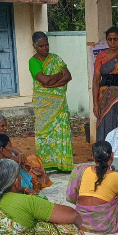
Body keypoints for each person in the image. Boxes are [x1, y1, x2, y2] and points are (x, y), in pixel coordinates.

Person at [30, 31, 74, 172]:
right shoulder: (33, 62)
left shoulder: (56, 58)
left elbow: (68, 76)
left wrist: (52, 84)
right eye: (41, 46)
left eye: (46, 45)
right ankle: (46, 164)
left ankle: (62, 164)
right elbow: (44, 80)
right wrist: (59, 75)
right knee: (43, 133)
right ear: (35, 46)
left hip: (59, 105)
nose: (45, 48)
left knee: (60, 131)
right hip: (43, 106)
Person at [66, 141, 118, 233]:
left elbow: (71, 196)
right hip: (105, 225)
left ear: (93, 157)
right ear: (112, 155)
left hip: (81, 221)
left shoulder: (80, 169)